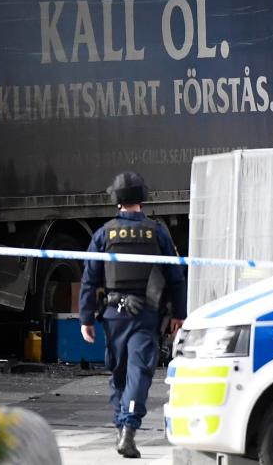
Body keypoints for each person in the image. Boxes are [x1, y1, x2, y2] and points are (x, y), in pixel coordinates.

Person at [79, 171, 187, 459]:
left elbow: (89, 278)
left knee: (118, 374)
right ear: (142, 198)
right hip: (146, 315)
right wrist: (179, 314)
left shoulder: (104, 234)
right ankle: (128, 428)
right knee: (139, 373)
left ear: (116, 200)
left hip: (113, 314)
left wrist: (86, 318)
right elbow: (176, 277)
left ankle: (121, 426)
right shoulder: (158, 232)